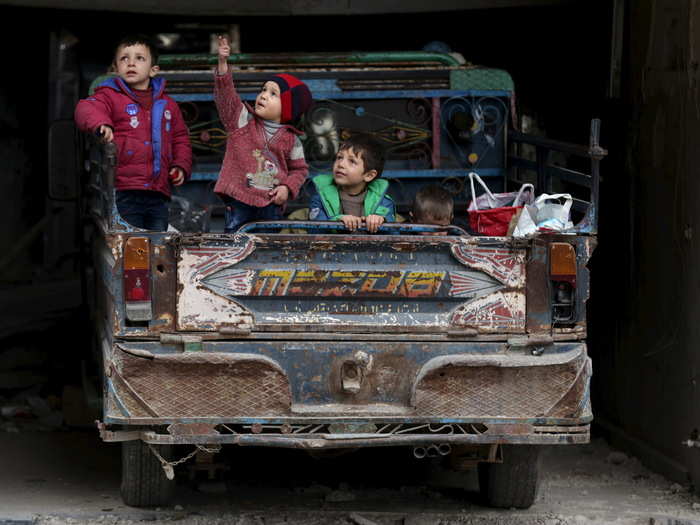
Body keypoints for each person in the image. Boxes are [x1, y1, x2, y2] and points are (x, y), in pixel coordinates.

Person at [75, 34, 192, 231]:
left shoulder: (168, 105)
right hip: (123, 190)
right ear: (115, 68)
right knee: (132, 247)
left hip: (159, 191)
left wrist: (181, 165)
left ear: (153, 70)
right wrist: (101, 124)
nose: (131, 63)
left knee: (157, 244)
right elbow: (86, 108)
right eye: (124, 58)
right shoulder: (108, 95)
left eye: (139, 58)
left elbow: (180, 138)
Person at [214, 36, 312, 233]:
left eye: (273, 93)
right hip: (239, 199)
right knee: (235, 243)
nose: (264, 95)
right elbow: (227, 98)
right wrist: (223, 65)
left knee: (267, 248)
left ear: (288, 109)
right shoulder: (242, 121)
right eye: (263, 90)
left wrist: (287, 188)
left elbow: (299, 170)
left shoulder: (292, 141)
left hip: (271, 204)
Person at [309, 134, 395, 233]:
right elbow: (314, 232)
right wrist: (337, 221)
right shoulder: (320, 198)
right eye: (339, 157)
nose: (341, 164)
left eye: (352, 161)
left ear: (369, 175)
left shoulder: (383, 201)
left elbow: (393, 235)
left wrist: (381, 221)